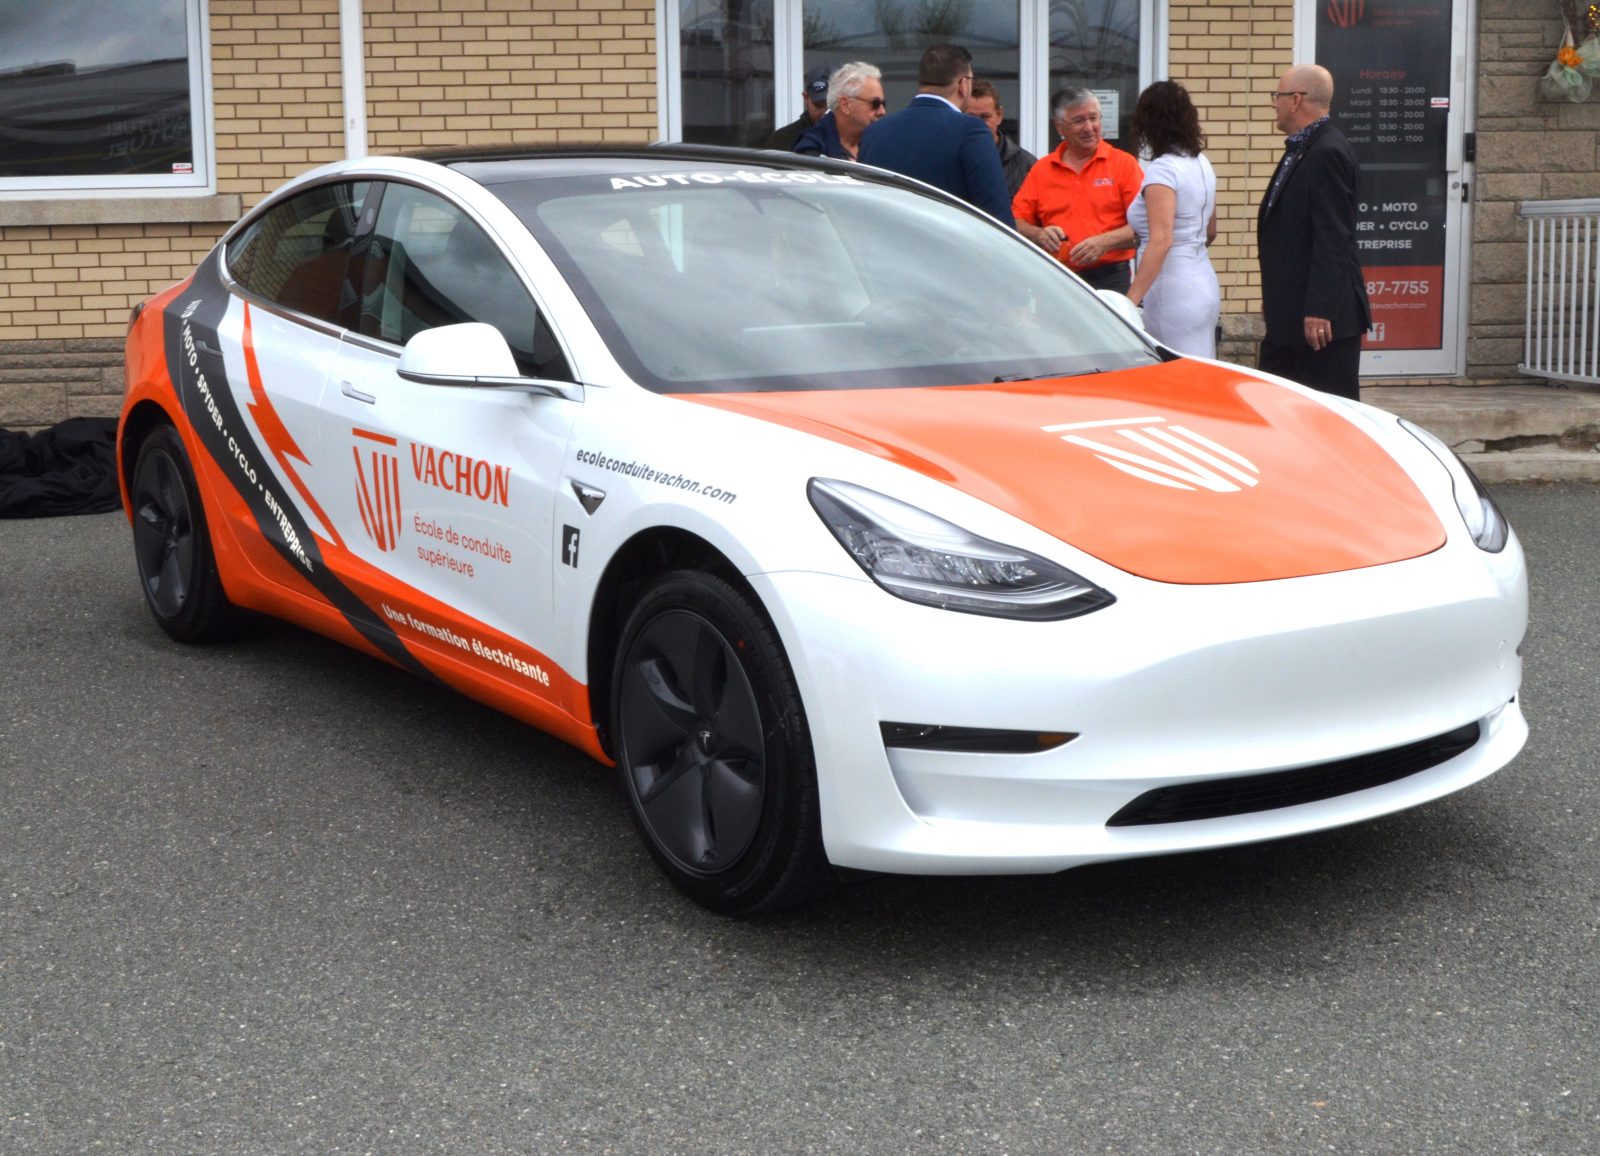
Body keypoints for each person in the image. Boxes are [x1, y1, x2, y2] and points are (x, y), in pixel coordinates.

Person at [1256, 63, 1371, 400]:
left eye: (1276, 96)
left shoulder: (1327, 152)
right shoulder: (1302, 149)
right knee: (1276, 408)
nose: (1273, 104)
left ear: (1295, 100)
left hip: (1320, 326)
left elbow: (1333, 236)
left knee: (1328, 418)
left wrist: (1319, 309)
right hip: (1289, 317)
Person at [856, 43, 1013, 225]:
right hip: (949, 248)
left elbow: (865, 211)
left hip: (884, 248)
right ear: (963, 85)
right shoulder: (971, 132)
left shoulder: (875, 132)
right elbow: (998, 219)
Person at [1012, 88, 1143, 293]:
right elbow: (1016, 221)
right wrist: (1039, 233)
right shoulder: (1042, 169)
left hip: (1110, 278)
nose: (1089, 127)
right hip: (1056, 276)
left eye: (1093, 118)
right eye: (1079, 121)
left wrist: (1104, 243)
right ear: (1059, 126)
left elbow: (1144, 226)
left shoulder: (1124, 165)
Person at [1124, 80, 1220, 357]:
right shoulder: (1202, 163)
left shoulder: (1163, 171)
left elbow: (1161, 240)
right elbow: (1211, 230)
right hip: (1203, 278)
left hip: (1172, 290)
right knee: (1202, 370)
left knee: (1177, 378)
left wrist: (1131, 301)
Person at [794, 62, 887, 161]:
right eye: (875, 104)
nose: (882, 111)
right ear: (845, 105)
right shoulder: (811, 151)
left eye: (883, 104)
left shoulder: (881, 145)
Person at [967, 79, 1036, 197]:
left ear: (999, 115)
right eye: (971, 117)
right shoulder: (948, 160)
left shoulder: (1027, 166)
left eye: (985, 117)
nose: (978, 124)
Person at [766, 63, 832, 151]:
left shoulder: (851, 139)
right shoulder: (782, 139)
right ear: (805, 98)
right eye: (818, 106)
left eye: (831, 106)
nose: (825, 113)